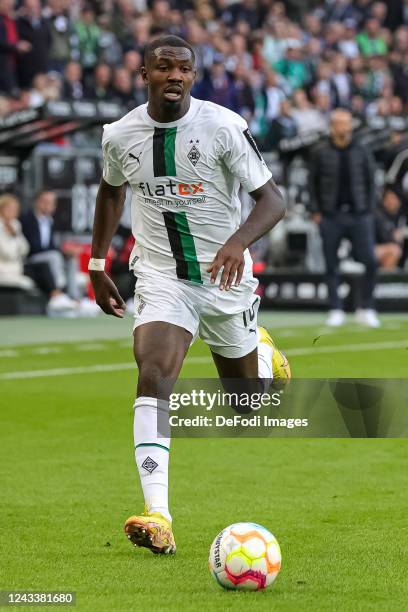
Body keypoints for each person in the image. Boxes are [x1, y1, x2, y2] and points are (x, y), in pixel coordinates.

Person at [89, 35, 289, 555]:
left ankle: (262, 356)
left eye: (183, 68)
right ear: (144, 75)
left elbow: (272, 201)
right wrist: (96, 262)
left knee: (247, 409)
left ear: (192, 77)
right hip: (160, 277)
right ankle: (159, 515)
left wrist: (237, 242)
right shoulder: (120, 135)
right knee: (152, 372)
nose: (174, 75)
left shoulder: (223, 126)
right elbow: (111, 190)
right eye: (163, 67)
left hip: (225, 282)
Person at [309, 109, 379, 327]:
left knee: (370, 260)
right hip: (331, 216)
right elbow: (312, 184)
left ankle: (366, 307)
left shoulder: (362, 149)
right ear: (332, 126)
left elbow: (371, 180)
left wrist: (368, 209)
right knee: (331, 264)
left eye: (346, 123)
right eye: (339, 123)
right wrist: (316, 211)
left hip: (360, 214)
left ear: (351, 125)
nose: (343, 128)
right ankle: (335, 308)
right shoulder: (320, 151)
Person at [20, 190, 77, 311]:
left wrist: (65, 253)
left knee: (71, 259)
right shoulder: (26, 219)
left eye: (51, 202)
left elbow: (50, 246)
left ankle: (74, 298)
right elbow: (33, 247)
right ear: (36, 202)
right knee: (55, 256)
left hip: (48, 256)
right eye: (45, 201)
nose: (48, 205)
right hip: (31, 258)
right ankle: (59, 293)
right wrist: (59, 252)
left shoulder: (50, 221)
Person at [375, 187, 405, 269]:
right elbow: (383, 237)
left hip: (385, 248)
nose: (392, 202)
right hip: (370, 248)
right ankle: (384, 280)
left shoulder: (397, 216)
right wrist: (393, 236)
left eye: (395, 199)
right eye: (389, 198)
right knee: (394, 250)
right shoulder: (378, 214)